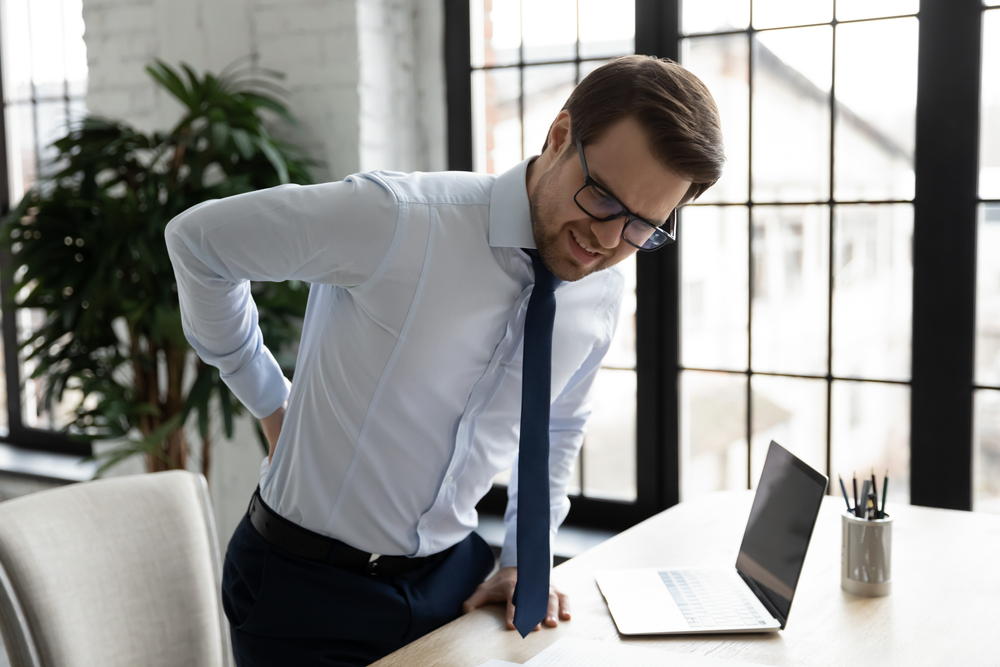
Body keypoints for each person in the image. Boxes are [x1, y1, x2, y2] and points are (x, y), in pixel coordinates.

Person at [165, 54, 723, 666]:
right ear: (560, 137)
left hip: (454, 579)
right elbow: (199, 243)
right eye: (602, 199)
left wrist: (521, 558)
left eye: (645, 226)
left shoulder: (602, 290)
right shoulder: (398, 220)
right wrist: (270, 398)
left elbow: (557, 425)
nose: (609, 241)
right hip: (305, 590)